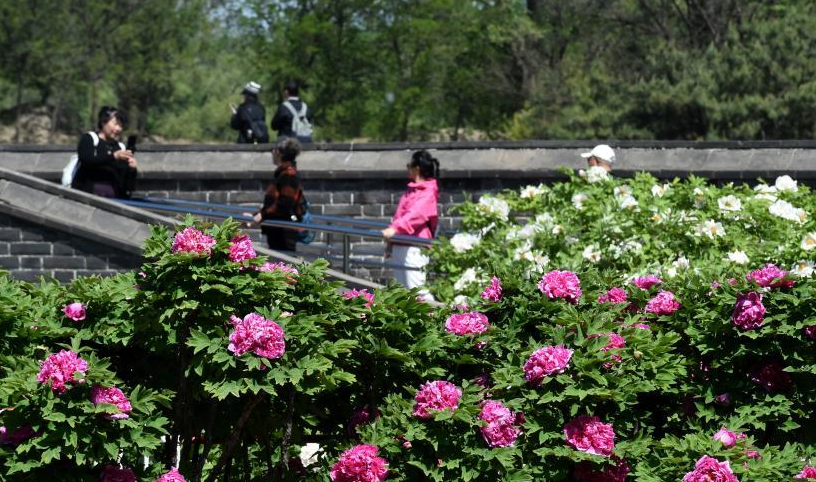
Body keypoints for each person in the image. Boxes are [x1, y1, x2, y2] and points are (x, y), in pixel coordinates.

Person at [381, 150, 440, 294]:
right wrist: (391, 243)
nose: (408, 169)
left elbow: (416, 215)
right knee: (403, 293)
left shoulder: (428, 191)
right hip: (401, 244)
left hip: (415, 247)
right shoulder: (411, 190)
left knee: (419, 293)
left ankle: (433, 316)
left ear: (417, 168)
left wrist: (395, 230)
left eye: (409, 165)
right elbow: (399, 216)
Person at [71, 106, 138, 199]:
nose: (118, 128)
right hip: (88, 195)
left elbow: (126, 184)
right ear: (103, 121)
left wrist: (132, 170)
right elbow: (87, 160)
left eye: (121, 125)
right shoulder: (90, 138)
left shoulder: (120, 147)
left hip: (113, 198)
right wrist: (113, 156)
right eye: (115, 124)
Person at [253, 138, 305, 252]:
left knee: (284, 264)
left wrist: (262, 215)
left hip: (284, 230)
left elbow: (285, 203)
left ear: (278, 152)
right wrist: (259, 214)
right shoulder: (283, 173)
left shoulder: (288, 174)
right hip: (278, 229)